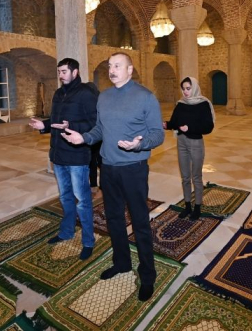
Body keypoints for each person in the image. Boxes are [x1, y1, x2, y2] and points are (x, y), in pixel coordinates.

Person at [62, 52, 164, 301]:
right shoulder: (104, 97)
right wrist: (83, 138)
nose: (112, 69)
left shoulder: (145, 97)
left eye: (118, 65)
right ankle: (122, 263)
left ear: (130, 70)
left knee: (140, 223)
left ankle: (148, 275)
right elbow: (99, 129)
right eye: (110, 65)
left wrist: (138, 145)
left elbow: (157, 134)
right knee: (114, 219)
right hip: (108, 168)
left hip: (134, 169)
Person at [28, 58, 97, 260]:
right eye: (59, 71)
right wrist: (44, 126)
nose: (60, 75)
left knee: (83, 201)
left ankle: (88, 241)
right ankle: (66, 232)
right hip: (58, 155)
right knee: (65, 197)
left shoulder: (85, 93)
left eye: (64, 71)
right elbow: (57, 122)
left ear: (75, 72)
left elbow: (95, 123)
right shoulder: (58, 93)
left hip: (77, 156)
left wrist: (72, 124)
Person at [163, 77, 214, 220]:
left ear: (194, 88)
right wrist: (165, 124)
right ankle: (187, 206)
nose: (185, 92)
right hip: (182, 142)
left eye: (188, 88)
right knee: (185, 177)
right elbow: (174, 122)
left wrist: (190, 128)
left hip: (196, 142)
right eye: (183, 88)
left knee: (196, 177)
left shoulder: (203, 104)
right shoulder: (180, 104)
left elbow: (208, 127)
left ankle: (197, 207)